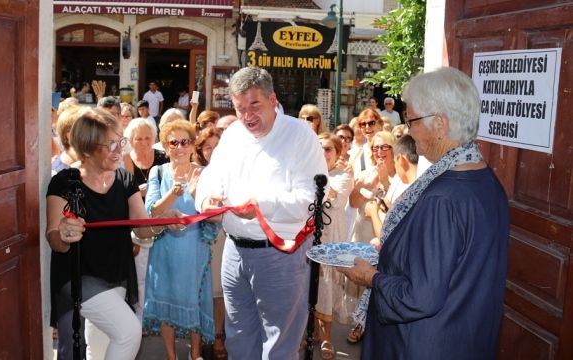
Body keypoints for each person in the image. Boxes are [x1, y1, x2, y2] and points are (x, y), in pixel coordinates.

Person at [338, 67, 509, 359]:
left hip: (423, 344)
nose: (408, 128)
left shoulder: (442, 197)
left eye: (412, 119)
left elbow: (419, 297)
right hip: (465, 337)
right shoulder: (485, 179)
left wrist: (370, 277)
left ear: (440, 124)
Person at [195, 67, 327, 359]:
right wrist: (205, 200)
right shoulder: (232, 135)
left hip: (280, 254)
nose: (247, 116)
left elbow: (312, 199)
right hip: (234, 252)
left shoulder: (299, 135)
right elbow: (211, 175)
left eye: (255, 105)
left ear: (273, 99)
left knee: (280, 345)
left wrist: (260, 205)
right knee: (239, 340)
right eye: (240, 108)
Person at [46, 108, 179, 359]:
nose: (120, 150)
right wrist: (63, 233)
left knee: (102, 344)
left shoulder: (124, 178)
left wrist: (162, 221)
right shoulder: (65, 182)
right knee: (129, 332)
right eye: (111, 145)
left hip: (115, 269)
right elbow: (54, 239)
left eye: (121, 142)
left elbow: (141, 227)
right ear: (87, 148)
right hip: (79, 274)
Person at [143, 120, 218, 360]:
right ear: (165, 146)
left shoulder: (205, 173)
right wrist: (171, 194)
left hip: (195, 249)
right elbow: (151, 212)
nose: (179, 147)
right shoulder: (157, 172)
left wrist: (196, 194)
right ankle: (171, 356)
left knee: (194, 301)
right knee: (165, 302)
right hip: (164, 249)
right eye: (173, 142)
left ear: (193, 144)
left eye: (184, 141)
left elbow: (212, 217)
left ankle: (195, 354)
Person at [315, 132, 354, 359]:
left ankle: (327, 336)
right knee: (310, 283)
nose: (322, 153)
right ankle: (311, 330)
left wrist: (318, 175)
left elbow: (336, 201)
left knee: (327, 284)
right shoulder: (307, 173)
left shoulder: (343, 176)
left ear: (338, 153)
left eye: (328, 149)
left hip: (331, 237)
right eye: (318, 148)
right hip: (309, 237)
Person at [192, 127, 227, 359]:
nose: (213, 151)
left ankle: (217, 336)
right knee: (200, 292)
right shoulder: (197, 173)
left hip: (225, 238)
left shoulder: (233, 171)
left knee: (220, 293)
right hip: (198, 239)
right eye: (208, 147)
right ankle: (199, 339)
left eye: (217, 146)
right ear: (201, 151)